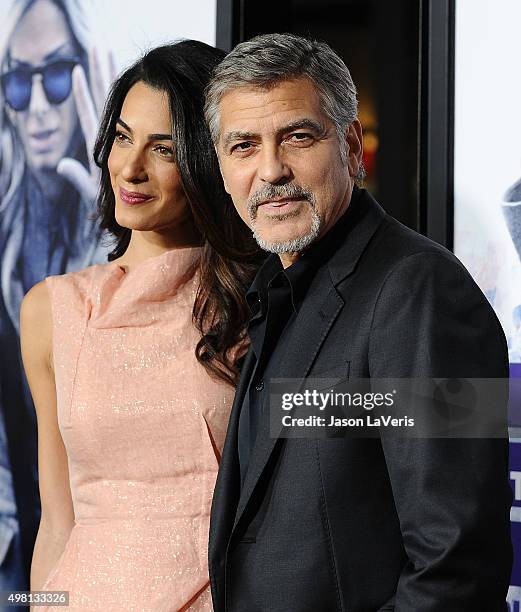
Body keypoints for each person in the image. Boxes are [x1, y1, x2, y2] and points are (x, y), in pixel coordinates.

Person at [204, 33, 513, 611]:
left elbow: (458, 562)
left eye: (298, 137)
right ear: (222, 169)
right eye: (243, 146)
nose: (271, 169)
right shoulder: (273, 291)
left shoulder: (423, 290)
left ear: (349, 147)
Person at [20, 41, 260, 611]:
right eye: (123, 138)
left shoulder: (252, 302)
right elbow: (57, 521)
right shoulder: (52, 312)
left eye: (164, 149)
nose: (130, 168)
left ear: (206, 160)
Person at [0, 0, 111, 583]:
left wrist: (115, 234)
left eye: (57, 74)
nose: (37, 106)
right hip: (19, 554)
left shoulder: (125, 228)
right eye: (18, 80)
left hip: (105, 545)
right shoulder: (4, 227)